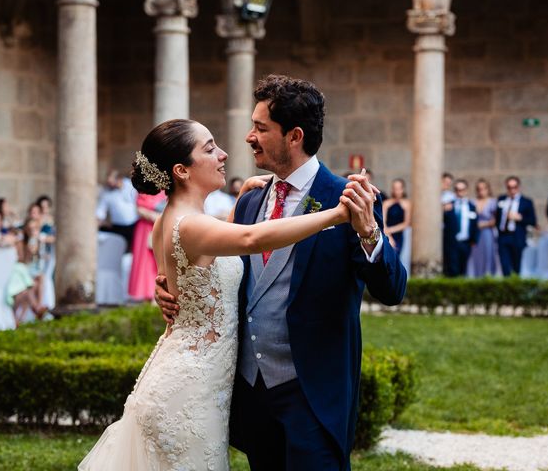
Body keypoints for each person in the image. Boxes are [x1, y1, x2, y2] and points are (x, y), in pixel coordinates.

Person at [79, 118, 363, 470]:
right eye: (210, 148)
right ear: (182, 170)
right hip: (190, 389)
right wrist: (336, 214)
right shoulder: (193, 225)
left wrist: (241, 199)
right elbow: (249, 239)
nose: (223, 154)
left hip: (186, 375)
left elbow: (207, 254)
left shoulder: (168, 220)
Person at [154, 75, 406, 470]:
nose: (248, 137)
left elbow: (393, 289)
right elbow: (222, 259)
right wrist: (175, 288)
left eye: (260, 128)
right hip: (254, 394)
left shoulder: (349, 199)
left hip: (314, 395)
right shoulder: (253, 199)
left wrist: (369, 233)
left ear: (294, 136)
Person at [127, 188, 166, 301]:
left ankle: (161, 292)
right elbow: (139, 210)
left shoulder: (167, 190)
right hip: (146, 228)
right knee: (145, 261)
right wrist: (157, 217)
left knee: (160, 261)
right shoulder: (143, 191)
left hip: (161, 227)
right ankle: (147, 294)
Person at [496, 176, 537, 275]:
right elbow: (497, 217)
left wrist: (520, 218)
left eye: (514, 187)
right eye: (509, 187)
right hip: (503, 236)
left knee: (517, 265)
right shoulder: (501, 199)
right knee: (505, 265)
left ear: (518, 187)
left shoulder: (526, 202)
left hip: (517, 236)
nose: (512, 190)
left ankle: (515, 286)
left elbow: (533, 221)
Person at [442, 179, 479, 277]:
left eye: (462, 190)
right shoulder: (449, 205)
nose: (460, 192)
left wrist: (474, 240)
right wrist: (443, 210)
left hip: (465, 242)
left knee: (463, 269)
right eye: (457, 190)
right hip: (452, 242)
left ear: (466, 190)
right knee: (452, 269)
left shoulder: (471, 206)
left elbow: (474, 224)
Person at [96, 169, 139, 247]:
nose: (110, 184)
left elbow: (138, 200)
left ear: (119, 179)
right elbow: (100, 211)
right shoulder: (106, 192)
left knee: (134, 247)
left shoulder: (130, 185)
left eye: (112, 181)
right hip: (117, 226)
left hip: (134, 224)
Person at [467, 178, 498, 277]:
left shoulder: (493, 202)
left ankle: (487, 276)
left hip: (487, 233)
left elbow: (497, 220)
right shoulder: (472, 202)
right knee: (475, 256)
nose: (481, 191)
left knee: (488, 254)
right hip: (475, 234)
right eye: (479, 189)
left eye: (484, 188)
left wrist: (484, 224)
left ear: (488, 189)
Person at [382, 178, 411, 253]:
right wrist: (388, 235)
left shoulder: (407, 204)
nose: (397, 191)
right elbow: (383, 221)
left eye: (399, 188)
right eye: (395, 188)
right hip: (386, 233)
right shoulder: (386, 203)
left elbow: (406, 223)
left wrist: (390, 230)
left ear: (403, 189)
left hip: (399, 234)